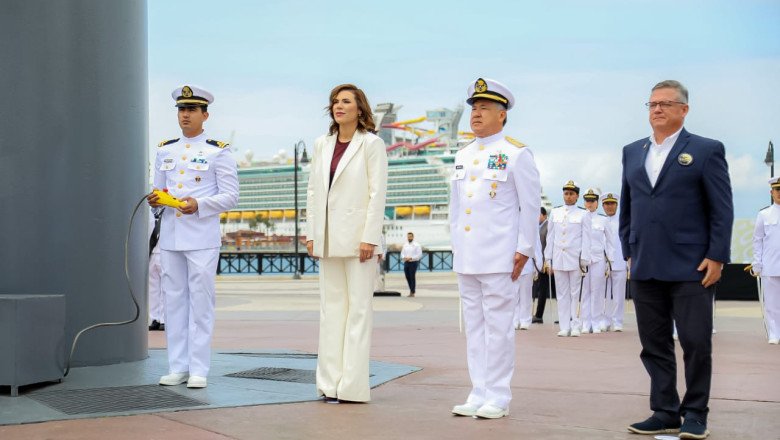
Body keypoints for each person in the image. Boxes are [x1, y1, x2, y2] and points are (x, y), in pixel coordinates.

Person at [620, 80, 733, 439]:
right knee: (653, 343)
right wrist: (628, 250)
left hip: (691, 265)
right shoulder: (632, 151)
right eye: (652, 103)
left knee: (696, 341)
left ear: (684, 109)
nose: (657, 109)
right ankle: (665, 410)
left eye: (667, 104)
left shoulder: (705, 149)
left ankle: (696, 412)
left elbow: (721, 208)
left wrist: (717, 255)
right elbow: (629, 206)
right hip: (646, 264)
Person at [449, 78, 540, 419]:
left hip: (501, 255)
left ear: (502, 115)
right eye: (474, 108)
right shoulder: (463, 155)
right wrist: (456, 246)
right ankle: (478, 391)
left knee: (499, 328)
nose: (476, 114)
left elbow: (529, 207)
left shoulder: (516, 154)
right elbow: (457, 208)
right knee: (473, 327)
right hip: (468, 256)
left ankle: (498, 395)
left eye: (484, 108)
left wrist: (525, 248)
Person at [148, 85, 239, 389]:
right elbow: (160, 190)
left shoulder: (218, 150)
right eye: (181, 110)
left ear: (205, 114)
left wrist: (200, 204)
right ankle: (178, 366)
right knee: (173, 301)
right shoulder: (165, 149)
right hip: (172, 236)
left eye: (191, 110)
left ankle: (198, 368)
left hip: (201, 235)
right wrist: (156, 199)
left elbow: (230, 196)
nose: (184, 115)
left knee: (200, 302)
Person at [306, 84, 388, 403]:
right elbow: (313, 192)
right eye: (335, 102)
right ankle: (329, 383)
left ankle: (352, 387)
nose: (338, 106)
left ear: (359, 109)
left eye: (345, 102)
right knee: (331, 311)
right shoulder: (321, 144)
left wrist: (370, 237)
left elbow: (376, 193)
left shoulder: (371, 144)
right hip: (327, 239)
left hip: (358, 241)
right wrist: (312, 232)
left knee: (358, 312)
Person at [544, 181, 591, 337]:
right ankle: (564, 326)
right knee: (562, 294)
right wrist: (548, 258)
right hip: (559, 258)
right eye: (566, 193)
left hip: (575, 259)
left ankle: (576, 325)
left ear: (577, 196)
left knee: (575, 293)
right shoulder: (555, 213)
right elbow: (550, 237)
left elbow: (586, 238)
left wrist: (584, 259)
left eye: (571, 194)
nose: (568, 196)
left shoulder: (583, 214)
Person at [751, 177, 780, 345]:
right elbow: (758, 240)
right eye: (777, 190)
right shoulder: (764, 214)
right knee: (772, 303)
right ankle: (774, 333)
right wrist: (757, 263)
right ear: (772, 192)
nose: (779, 193)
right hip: (771, 264)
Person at [582, 188, 614, 334]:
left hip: (598, 259)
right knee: (585, 292)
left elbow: (610, 242)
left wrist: (610, 261)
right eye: (587, 201)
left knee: (597, 291)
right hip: (583, 260)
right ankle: (585, 322)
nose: (589, 204)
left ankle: (595, 322)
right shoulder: (580, 217)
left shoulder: (603, 220)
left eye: (592, 201)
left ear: (597, 203)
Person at [601, 191, 626, 332]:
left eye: (612, 204)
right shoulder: (599, 220)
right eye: (606, 204)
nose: (609, 207)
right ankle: (605, 320)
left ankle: (617, 321)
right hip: (602, 263)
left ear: (617, 205)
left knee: (618, 294)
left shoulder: (623, 221)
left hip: (619, 261)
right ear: (602, 206)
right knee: (603, 294)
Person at [514, 229, 543, 330]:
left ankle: (525, 320)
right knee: (514, 294)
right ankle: (515, 319)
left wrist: (538, 265)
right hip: (511, 264)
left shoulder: (529, 227)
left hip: (526, 265)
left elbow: (537, 246)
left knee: (525, 294)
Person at [532, 207, 551, 323]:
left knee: (543, 289)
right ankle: (537, 314)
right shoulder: (537, 227)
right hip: (536, 262)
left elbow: (548, 245)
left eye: (538, 215)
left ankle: (539, 315)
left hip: (545, 263)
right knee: (537, 288)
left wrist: (547, 261)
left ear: (544, 215)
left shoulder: (547, 226)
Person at [148, 208, 165, 331]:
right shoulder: (147, 211)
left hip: (165, 253)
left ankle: (164, 319)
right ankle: (154, 318)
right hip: (150, 253)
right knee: (152, 289)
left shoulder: (169, 209)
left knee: (166, 288)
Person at [401, 232, 423, 297]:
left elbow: (419, 255)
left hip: (413, 262)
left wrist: (411, 258)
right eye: (408, 236)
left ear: (413, 237)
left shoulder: (417, 245)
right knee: (407, 276)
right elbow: (402, 253)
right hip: (406, 262)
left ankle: (412, 292)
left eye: (410, 236)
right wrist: (404, 257)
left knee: (412, 276)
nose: (409, 238)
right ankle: (411, 289)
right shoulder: (405, 245)